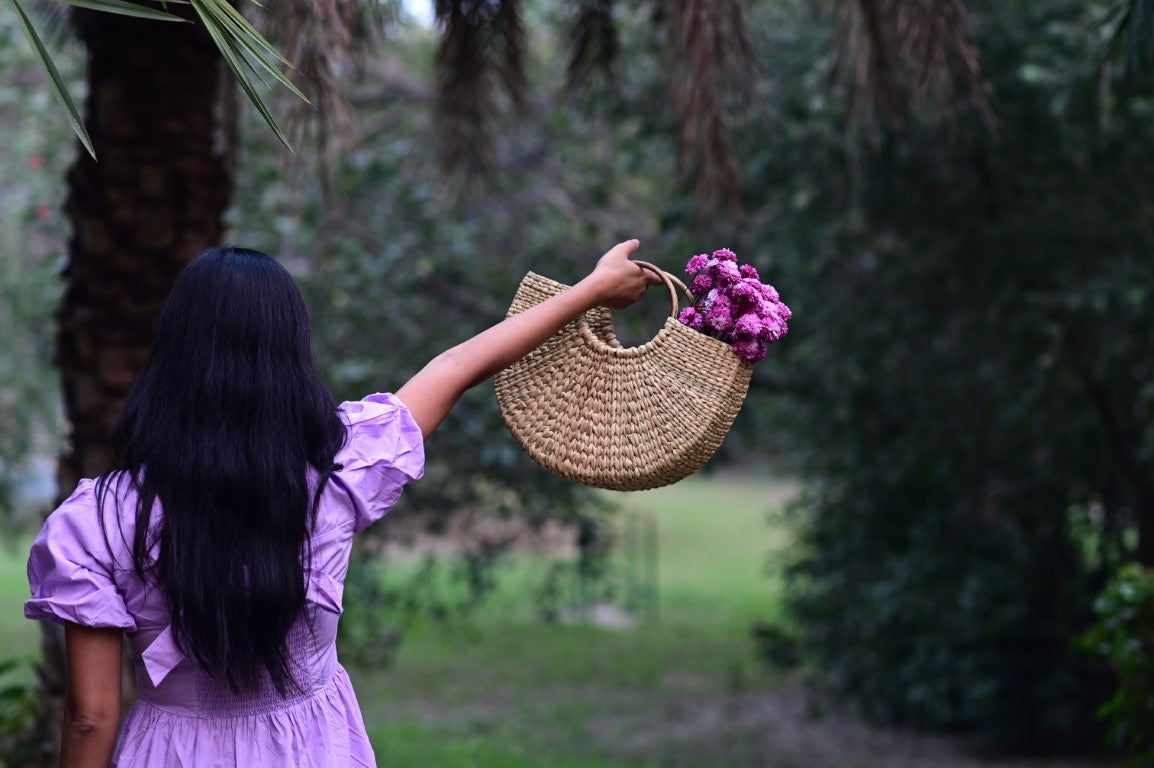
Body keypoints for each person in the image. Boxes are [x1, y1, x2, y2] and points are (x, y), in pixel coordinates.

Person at [25, 240, 659, 768]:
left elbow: (90, 718)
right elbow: (457, 366)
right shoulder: (340, 469)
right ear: (290, 355)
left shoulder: (98, 522)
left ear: (170, 358)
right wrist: (589, 291)